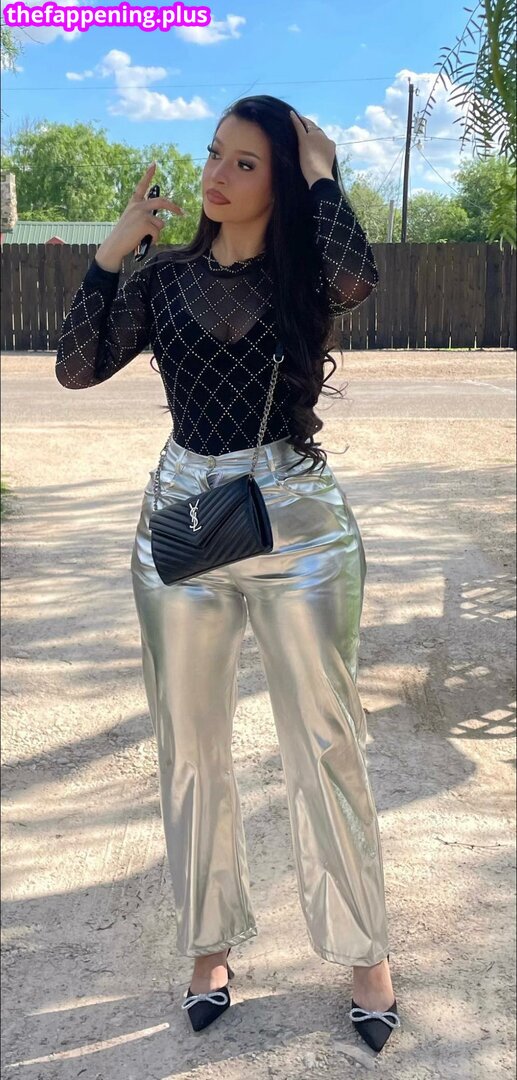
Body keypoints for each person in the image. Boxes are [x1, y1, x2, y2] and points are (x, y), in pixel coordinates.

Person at [55, 94, 400, 1052]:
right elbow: (76, 368)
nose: (216, 175)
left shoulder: (306, 275)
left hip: (298, 527)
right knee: (189, 743)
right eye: (214, 154)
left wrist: (322, 174)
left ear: (280, 181)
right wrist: (112, 250)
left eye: (246, 162)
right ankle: (208, 948)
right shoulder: (165, 278)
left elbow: (357, 276)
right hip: (182, 518)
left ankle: (365, 953)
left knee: (326, 741)